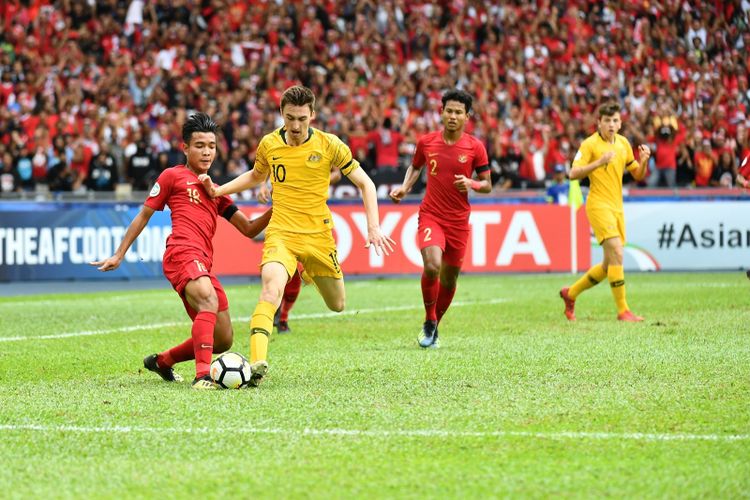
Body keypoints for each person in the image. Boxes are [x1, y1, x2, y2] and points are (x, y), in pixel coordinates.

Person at [199, 85, 395, 385]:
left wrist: (373, 226)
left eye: (302, 119)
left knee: (337, 304)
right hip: (281, 233)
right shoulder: (269, 144)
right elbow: (255, 176)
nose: (295, 125)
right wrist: (219, 189)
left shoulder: (330, 145)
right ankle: (257, 363)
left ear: (312, 115)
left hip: (318, 237)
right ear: (281, 114)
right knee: (270, 290)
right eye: (289, 118)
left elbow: (366, 184)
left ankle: (311, 274)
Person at [90, 113, 271, 389]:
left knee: (222, 339)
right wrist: (119, 254)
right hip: (182, 253)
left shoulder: (218, 191)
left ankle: (162, 361)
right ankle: (202, 377)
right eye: (200, 145)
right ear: (185, 148)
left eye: (211, 145)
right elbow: (143, 216)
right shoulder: (172, 176)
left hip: (203, 263)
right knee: (208, 303)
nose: (207, 151)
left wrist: (277, 208)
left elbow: (248, 229)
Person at [389, 89, 491, 349]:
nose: (453, 116)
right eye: (449, 111)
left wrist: (471, 183)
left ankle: (435, 326)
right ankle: (429, 319)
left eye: (459, 112)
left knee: (449, 279)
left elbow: (488, 184)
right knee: (432, 265)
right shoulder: (427, 142)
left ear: (467, 116)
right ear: (441, 112)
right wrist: (405, 187)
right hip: (431, 215)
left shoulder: (475, 147)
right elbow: (416, 166)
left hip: (458, 221)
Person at [559, 102, 650, 322]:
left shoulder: (623, 144)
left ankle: (570, 294)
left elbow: (637, 174)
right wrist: (599, 162)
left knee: (609, 264)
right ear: (598, 122)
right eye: (607, 120)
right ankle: (623, 311)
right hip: (598, 205)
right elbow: (573, 173)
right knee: (617, 252)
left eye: (615, 120)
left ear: (620, 124)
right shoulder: (590, 145)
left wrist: (643, 162)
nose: (611, 124)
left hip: (617, 207)